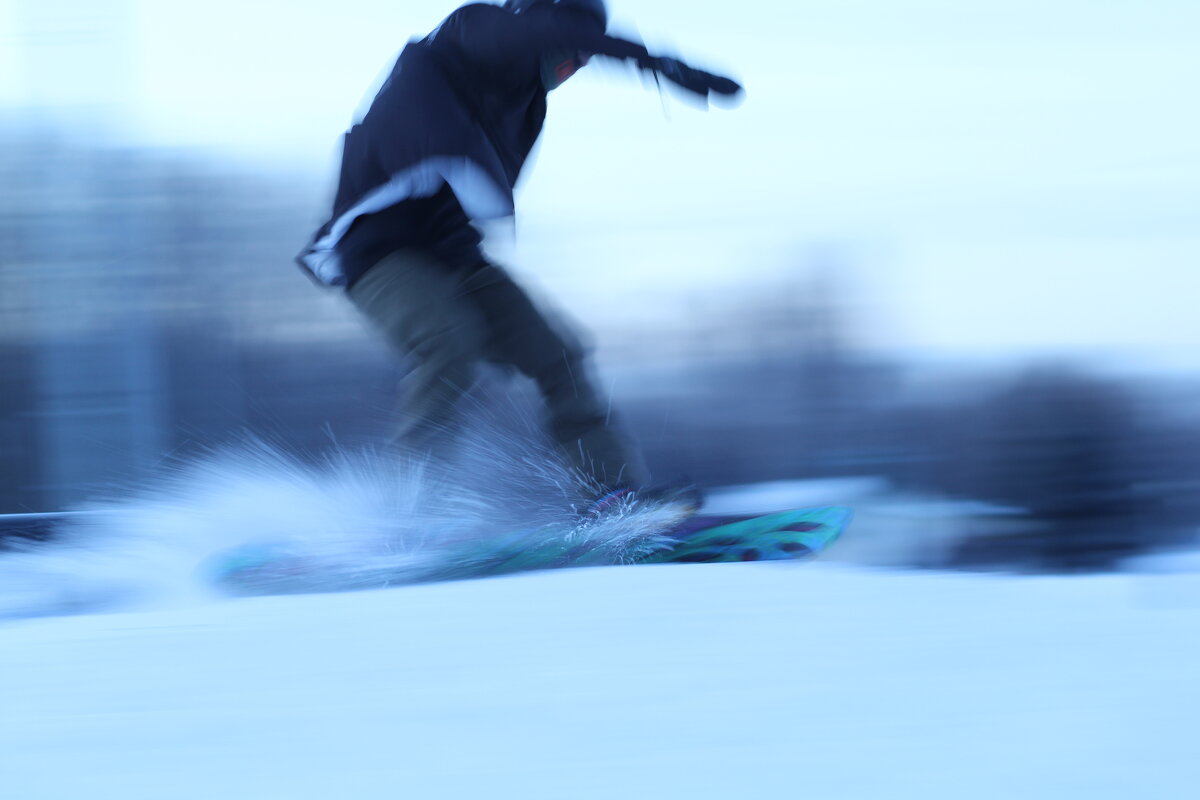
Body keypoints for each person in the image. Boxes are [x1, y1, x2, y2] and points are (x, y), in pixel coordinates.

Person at [297, 0, 741, 510]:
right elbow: (526, 33)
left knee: (560, 356)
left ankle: (611, 497)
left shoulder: (525, 99)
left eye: (584, 57)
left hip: (452, 256)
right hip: (377, 253)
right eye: (571, 52)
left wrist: (628, 57)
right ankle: (404, 511)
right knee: (448, 344)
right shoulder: (471, 33)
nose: (576, 67)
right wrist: (651, 60)